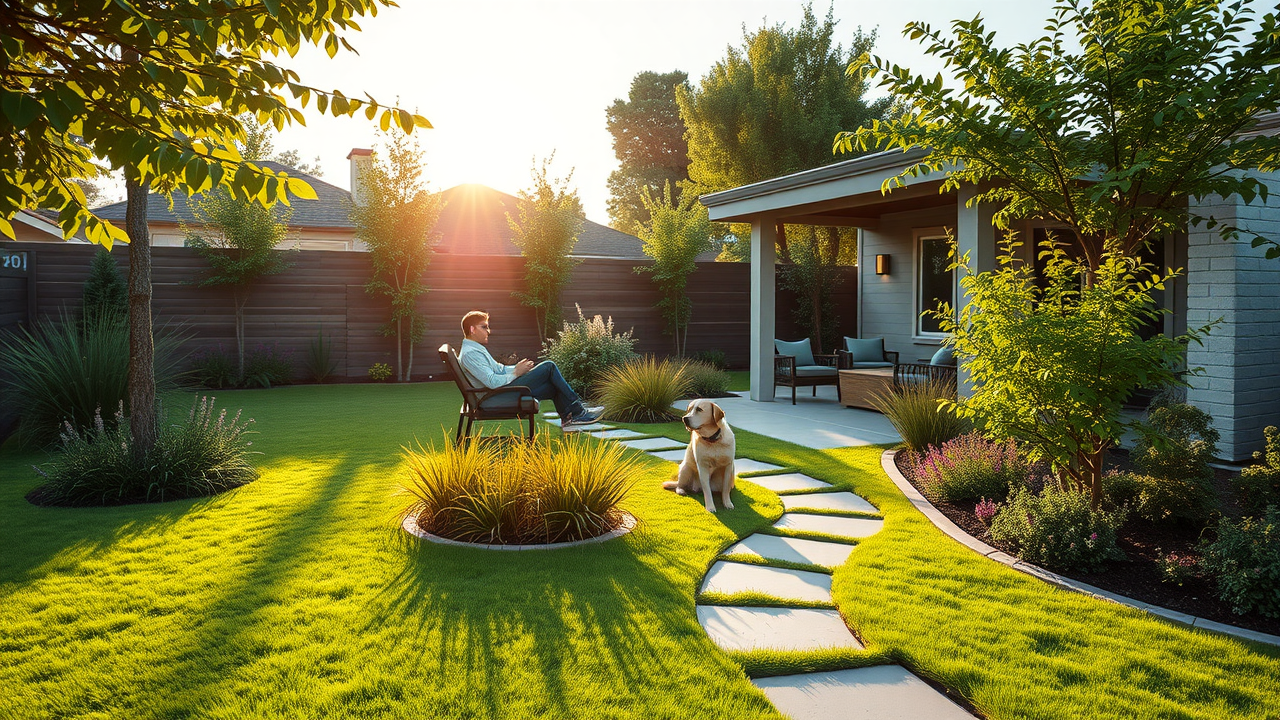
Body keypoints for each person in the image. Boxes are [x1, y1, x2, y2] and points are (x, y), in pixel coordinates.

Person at [457, 311, 602, 426]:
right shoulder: (471, 354)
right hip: (492, 398)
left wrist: (517, 367)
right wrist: (516, 373)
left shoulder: (475, 349)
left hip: (497, 393)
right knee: (549, 366)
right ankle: (578, 411)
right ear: (472, 329)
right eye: (484, 327)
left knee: (551, 386)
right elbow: (492, 382)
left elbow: (498, 369)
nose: (488, 331)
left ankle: (568, 418)